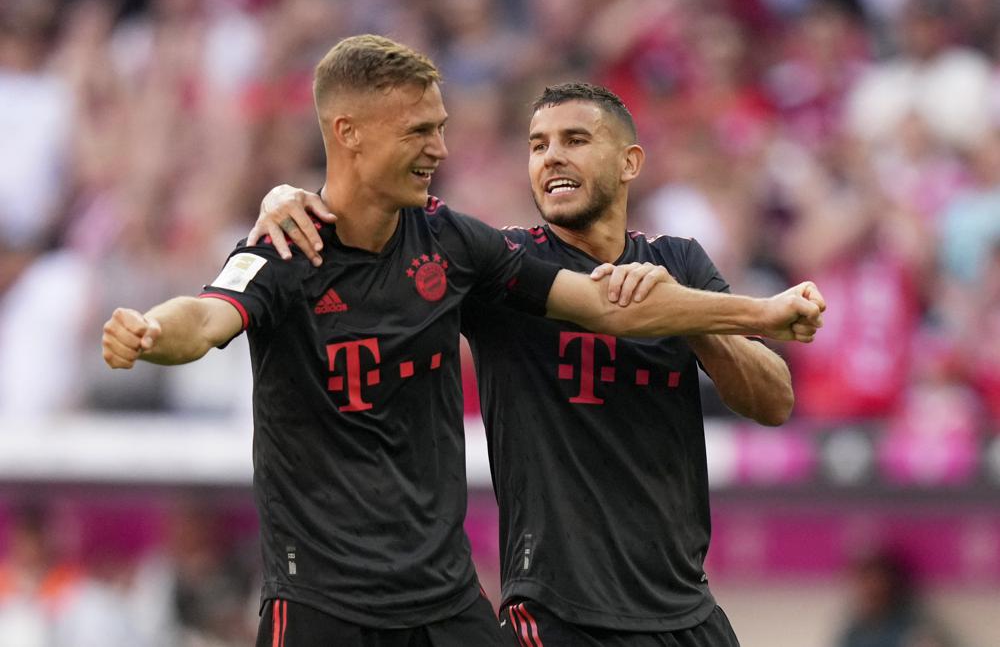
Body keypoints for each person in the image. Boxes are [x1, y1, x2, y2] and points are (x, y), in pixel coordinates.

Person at [102, 36, 823, 647]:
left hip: (521, 602)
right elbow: (206, 315)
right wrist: (156, 327)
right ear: (351, 132)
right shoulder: (330, 250)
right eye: (420, 130)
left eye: (575, 140)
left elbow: (632, 320)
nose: (440, 148)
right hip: (428, 603)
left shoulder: (486, 248)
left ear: (630, 160)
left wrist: (740, 315)